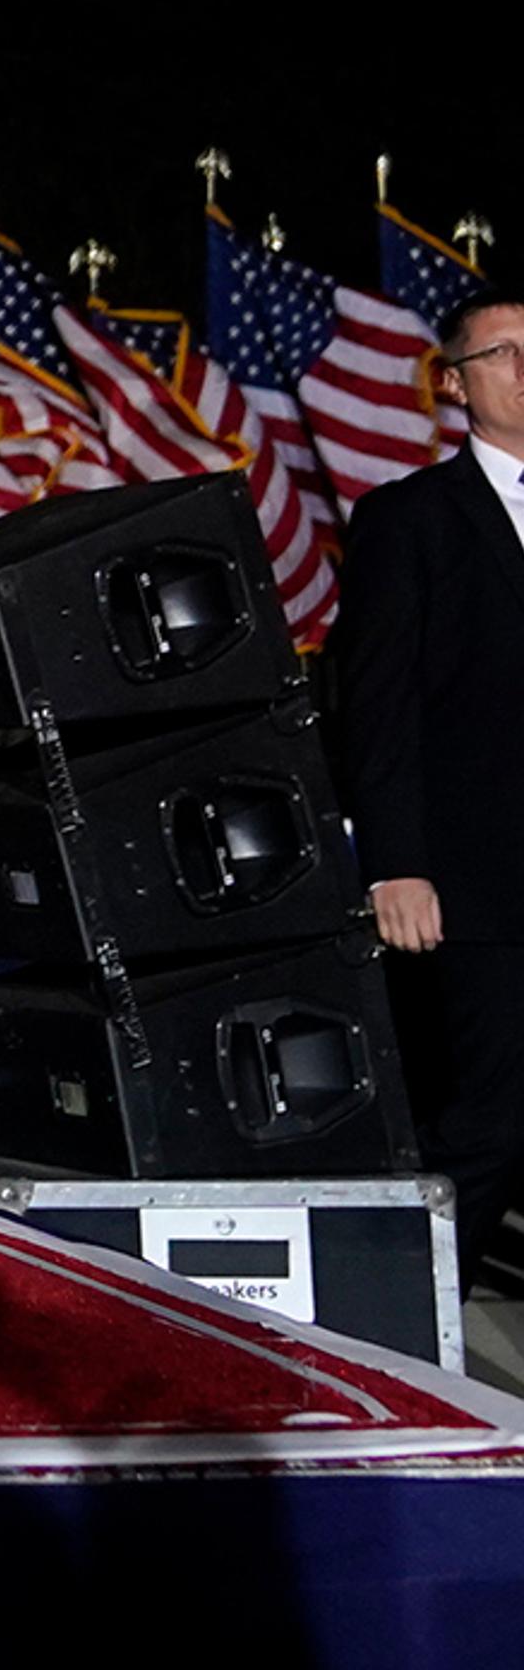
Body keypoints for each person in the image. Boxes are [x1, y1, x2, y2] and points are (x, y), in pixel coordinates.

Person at [337, 281, 524, 1285]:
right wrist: (396, 863)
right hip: (483, 880)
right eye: (503, 354)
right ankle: (397, 1322)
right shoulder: (408, 520)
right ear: (453, 385)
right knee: (491, 1117)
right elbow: (378, 705)